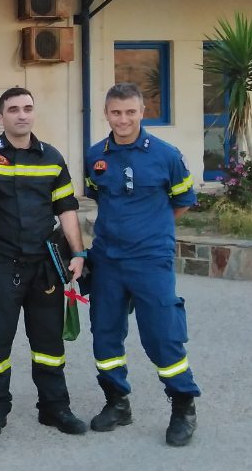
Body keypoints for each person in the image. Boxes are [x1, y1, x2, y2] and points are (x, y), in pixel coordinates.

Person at [0, 87, 88, 440]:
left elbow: (66, 208)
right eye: (14, 109)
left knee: (49, 342)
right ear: (0, 116)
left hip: (44, 266)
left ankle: (54, 407)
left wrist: (78, 253)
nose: (22, 114)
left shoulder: (52, 157)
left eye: (27, 108)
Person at [85, 83, 200, 447]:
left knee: (162, 334)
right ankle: (117, 402)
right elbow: (97, 196)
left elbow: (182, 201)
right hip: (107, 259)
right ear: (106, 113)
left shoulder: (166, 155)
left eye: (130, 112)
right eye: (116, 112)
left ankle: (183, 406)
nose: (123, 120)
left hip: (150, 259)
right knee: (105, 333)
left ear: (142, 112)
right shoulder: (95, 155)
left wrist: (152, 230)